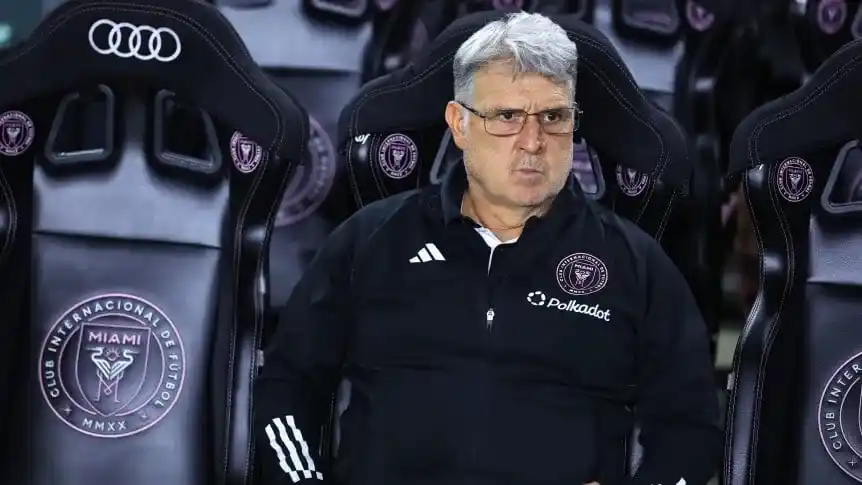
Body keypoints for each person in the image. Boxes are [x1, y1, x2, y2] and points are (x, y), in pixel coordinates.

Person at [254, 11, 722, 485]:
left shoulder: (634, 263)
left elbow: (693, 428)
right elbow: (286, 385)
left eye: (553, 117)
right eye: (506, 117)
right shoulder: (371, 239)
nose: (533, 142)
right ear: (459, 124)